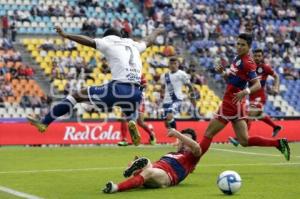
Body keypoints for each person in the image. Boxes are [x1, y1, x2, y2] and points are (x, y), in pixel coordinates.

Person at [27, 25, 165, 146]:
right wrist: (158, 31)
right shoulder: (134, 44)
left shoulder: (108, 41)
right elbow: (149, 40)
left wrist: (66, 35)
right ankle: (132, 120)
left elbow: (88, 41)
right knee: (128, 108)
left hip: (117, 89)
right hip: (136, 93)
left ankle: (45, 122)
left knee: (77, 96)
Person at [198, 33, 290, 162]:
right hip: (237, 103)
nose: (239, 47)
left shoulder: (247, 63)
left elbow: (257, 84)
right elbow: (231, 80)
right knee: (244, 141)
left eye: (243, 45)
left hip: (231, 102)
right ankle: (279, 143)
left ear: (249, 47)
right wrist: (223, 72)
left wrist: (245, 91)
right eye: (238, 44)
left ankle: (190, 164)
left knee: (208, 134)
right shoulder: (237, 59)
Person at [102, 128, 201, 193]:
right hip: (156, 170)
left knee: (148, 170)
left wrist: (177, 134)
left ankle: (116, 187)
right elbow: (156, 165)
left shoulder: (191, 158)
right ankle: (136, 169)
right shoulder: (170, 154)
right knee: (146, 162)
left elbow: (196, 147)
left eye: (186, 141)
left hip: (167, 177)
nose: (183, 143)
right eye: (182, 141)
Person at [229, 48, 282, 146]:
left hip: (260, 97)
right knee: (258, 115)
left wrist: (276, 87)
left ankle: (239, 139)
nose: (257, 58)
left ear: (262, 57)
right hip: (251, 97)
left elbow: (276, 76)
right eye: (255, 56)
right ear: (252, 56)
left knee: (249, 114)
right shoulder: (249, 67)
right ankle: (275, 127)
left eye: (259, 56)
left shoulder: (265, 68)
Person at [118, 75, 157, 146]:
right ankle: (124, 140)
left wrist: (139, 86)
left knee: (140, 122)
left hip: (138, 98)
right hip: (128, 99)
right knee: (123, 117)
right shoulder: (125, 74)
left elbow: (145, 84)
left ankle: (152, 135)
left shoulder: (137, 74)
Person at [160, 57, 196, 130]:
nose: (173, 65)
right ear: (168, 65)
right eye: (171, 64)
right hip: (166, 100)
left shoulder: (182, 74)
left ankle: (177, 136)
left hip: (177, 99)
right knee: (166, 122)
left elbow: (190, 86)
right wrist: (161, 94)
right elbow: (163, 87)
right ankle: (172, 132)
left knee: (169, 116)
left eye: (175, 63)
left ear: (178, 64)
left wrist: (193, 97)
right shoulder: (165, 75)